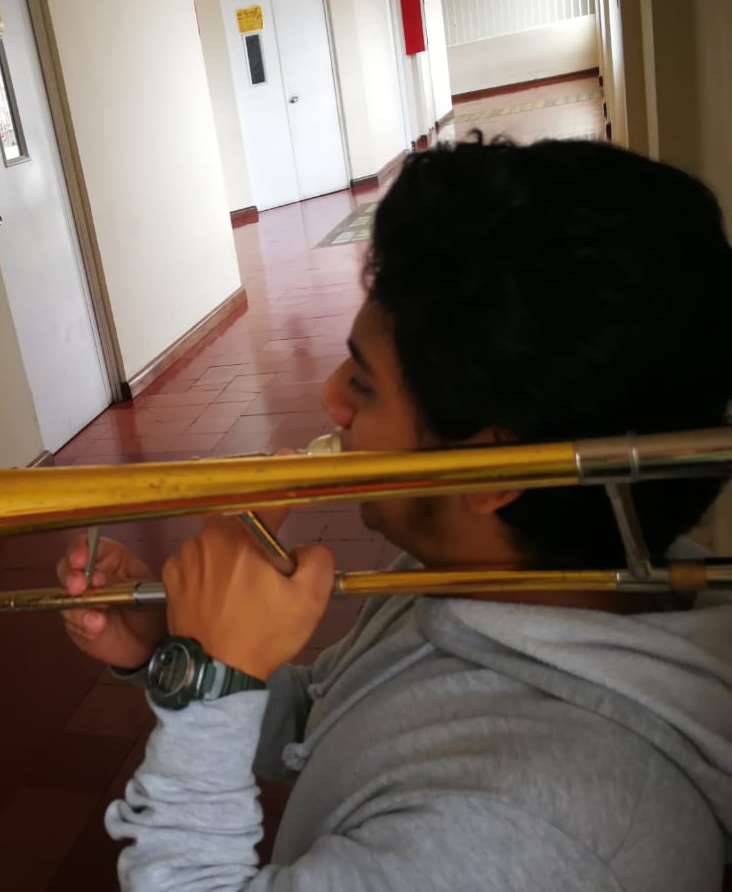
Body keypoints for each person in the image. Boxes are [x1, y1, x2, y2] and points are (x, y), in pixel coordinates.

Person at [55, 135, 732, 890]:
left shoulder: (542, 831)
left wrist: (211, 690)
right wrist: (169, 653)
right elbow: (322, 721)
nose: (330, 398)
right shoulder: (473, 573)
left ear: (491, 472)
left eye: (366, 386)